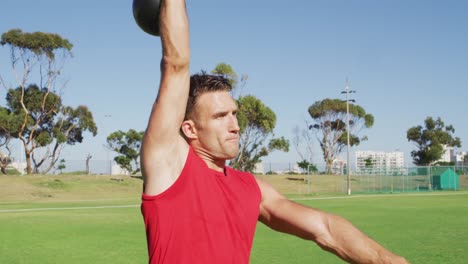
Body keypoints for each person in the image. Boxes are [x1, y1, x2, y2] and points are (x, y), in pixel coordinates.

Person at [140, 0, 409, 263]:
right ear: (189, 129)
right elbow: (176, 64)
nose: (234, 125)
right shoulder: (169, 165)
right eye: (220, 116)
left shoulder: (250, 188)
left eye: (234, 113)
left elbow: (325, 228)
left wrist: (386, 259)